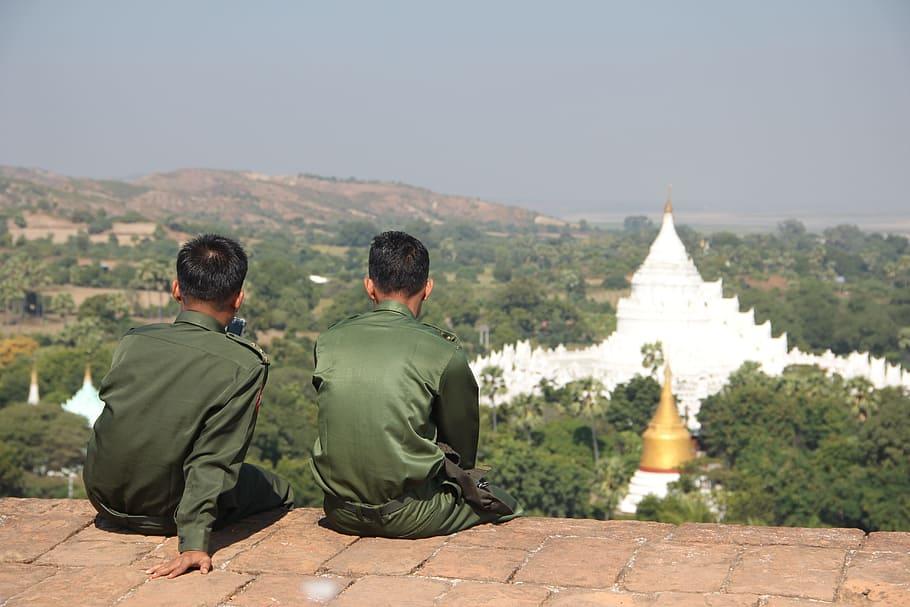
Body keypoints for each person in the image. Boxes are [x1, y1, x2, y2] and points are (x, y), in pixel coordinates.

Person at [83, 234, 294, 579]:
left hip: (103, 498)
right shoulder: (244, 364)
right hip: (162, 513)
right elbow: (213, 457)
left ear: (177, 289)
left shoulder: (134, 341)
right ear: (238, 298)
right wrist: (194, 543)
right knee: (278, 489)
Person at [311, 230, 520, 538]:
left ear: (369, 287)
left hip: (339, 511)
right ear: (428, 288)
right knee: (506, 502)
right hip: (409, 515)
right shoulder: (443, 353)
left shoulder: (329, 341)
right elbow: (462, 448)